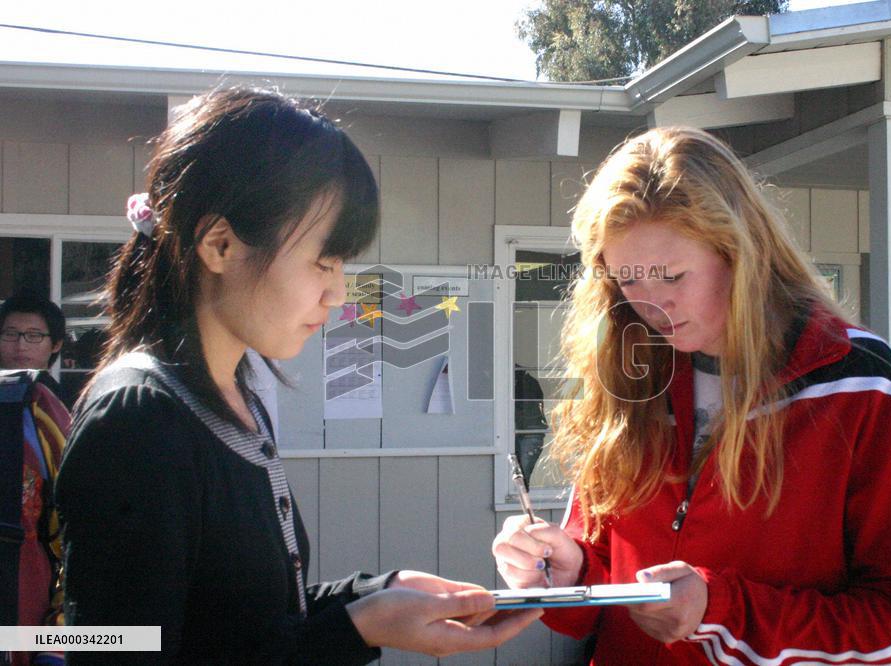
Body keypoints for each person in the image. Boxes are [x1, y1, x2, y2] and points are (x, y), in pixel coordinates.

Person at [54, 87, 540, 665]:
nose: (337, 291)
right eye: (323, 261)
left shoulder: (236, 399)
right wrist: (357, 629)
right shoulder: (136, 420)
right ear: (221, 243)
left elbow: (249, 624)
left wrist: (375, 595)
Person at [492, 127, 891, 664]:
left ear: (741, 254)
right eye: (628, 282)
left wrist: (720, 612)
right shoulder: (630, 374)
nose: (652, 306)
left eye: (671, 276)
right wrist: (568, 571)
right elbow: (606, 577)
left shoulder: (860, 386)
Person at [0, 293, 66, 374]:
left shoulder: (55, 387)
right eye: (11, 334)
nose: (21, 346)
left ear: (56, 345)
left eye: (33, 335)